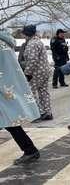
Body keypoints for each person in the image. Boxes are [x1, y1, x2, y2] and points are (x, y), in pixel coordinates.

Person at [0, 28, 41, 164]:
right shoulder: (4, 40)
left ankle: (30, 150)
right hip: (8, 85)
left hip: (4, 87)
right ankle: (30, 149)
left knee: (9, 121)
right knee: (9, 120)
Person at [21, 25, 53, 122]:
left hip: (35, 72)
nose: (23, 35)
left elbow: (32, 60)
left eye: (24, 34)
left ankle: (37, 113)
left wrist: (27, 73)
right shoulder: (39, 41)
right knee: (43, 92)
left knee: (31, 92)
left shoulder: (31, 44)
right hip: (44, 71)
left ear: (27, 34)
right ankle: (47, 112)